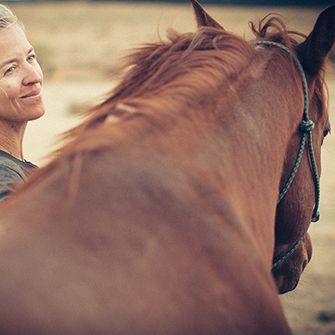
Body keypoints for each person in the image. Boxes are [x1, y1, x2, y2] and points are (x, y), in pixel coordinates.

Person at [0, 4, 45, 201]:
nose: (34, 76)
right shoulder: (5, 180)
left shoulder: (17, 170)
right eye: (10, 69)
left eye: (31, 57)